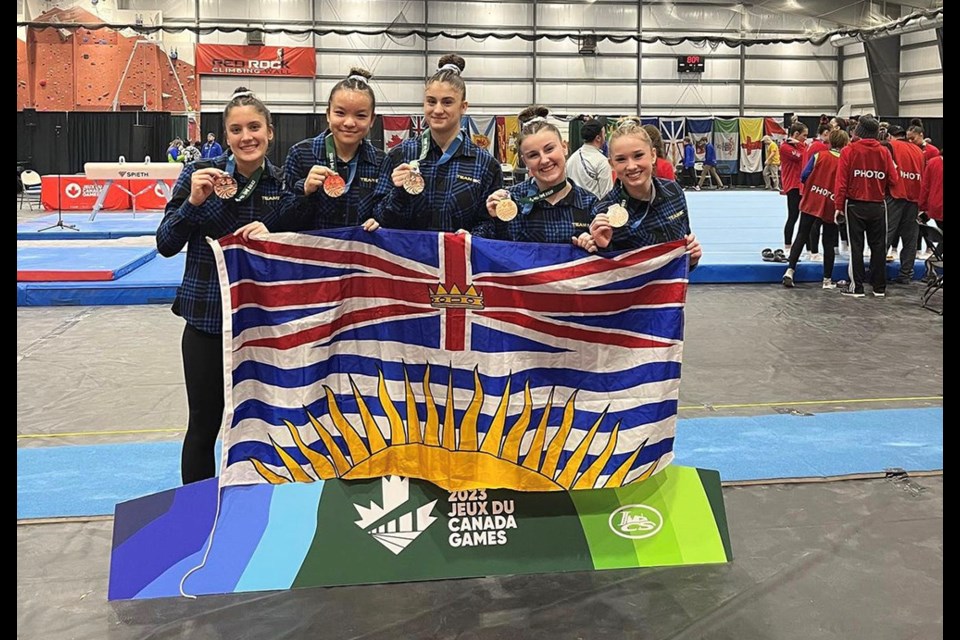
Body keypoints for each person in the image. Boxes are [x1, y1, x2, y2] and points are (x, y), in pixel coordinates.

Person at [156, 87, 292, 484]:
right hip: (206, 321)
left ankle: (261, 513)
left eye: (254, 127)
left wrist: (276, 229)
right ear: (225, 136)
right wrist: (193, 203)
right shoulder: (197, 174)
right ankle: (198, 518)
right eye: (236, 129)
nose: (246, 136)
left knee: (271, 424)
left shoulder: (284, 184)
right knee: (203, 424)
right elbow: (166, 244)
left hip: (264, 327)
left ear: (270, 132)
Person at [237, 68, 384, 236]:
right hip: (311, 260)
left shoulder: (381, 161)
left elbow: (388, 216)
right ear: (328, 114)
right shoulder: (300, 154)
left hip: (359, 259)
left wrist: (379, 222)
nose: (349, 122)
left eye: (360, 115)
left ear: (372, 120)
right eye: (340, 113)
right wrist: (304, 192)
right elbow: (284, 221)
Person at [374, 54, 502, 234]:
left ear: (463, 106)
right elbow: (379, 219)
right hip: (409, 260)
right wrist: (398, 193)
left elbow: (491, 223)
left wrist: (473, 237)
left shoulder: (486, 165)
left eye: (447, 102)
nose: (438, 110)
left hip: (457, 259)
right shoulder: (400, 155)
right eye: (431, 101)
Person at [588, 120, 702, 266]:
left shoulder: (674, 192)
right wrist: (602, 248)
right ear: (612, 165)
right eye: (621, 159)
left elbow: (684, 247)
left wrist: (691, 259)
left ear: (653, 155)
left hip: (669, 288)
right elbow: (605, 273)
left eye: (638, 155)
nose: (631, 166)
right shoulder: (603, 212)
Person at [483, 106, 596, 251]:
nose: (544, 160)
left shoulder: (590, 204)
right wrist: (492, 220)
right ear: (524, 160)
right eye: (533, 155)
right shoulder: (511, 201)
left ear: (564, 147)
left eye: (549, 149)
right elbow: (489, 251)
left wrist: (595, 245)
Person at [833, 116, 899, 298]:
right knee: (878, 247)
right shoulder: (884, 152)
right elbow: (894, 179)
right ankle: (879, 287)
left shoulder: (849, 150)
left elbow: (841, 182)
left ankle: (857, 287)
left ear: (859, 132)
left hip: (855, 204)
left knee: (856, 246)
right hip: (878, 205)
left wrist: (838, 206)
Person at [781, 128, 849, 290]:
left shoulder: (819, 155)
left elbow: (804, 175)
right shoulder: (845, 161)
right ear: (845, 144)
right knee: (829, 241)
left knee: (802, 235)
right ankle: (826, 280)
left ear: (830, 142)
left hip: (812, 200)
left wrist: (816, 185)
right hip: (831, 205)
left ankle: (790, 270)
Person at [884, 125, 925, 282]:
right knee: (910, 240)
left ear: (890, 136)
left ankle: (877, 273)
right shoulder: (918, 151)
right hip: (914, 198)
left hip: (895, 195)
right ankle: (906, 274)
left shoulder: (891, 146)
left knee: (886, 235)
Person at [565, 118, 613, 199]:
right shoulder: (602, 162)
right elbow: (607, 195)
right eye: (604, 134)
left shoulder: (571, 159)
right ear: (598, 138)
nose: (605, 137)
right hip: (594, 209)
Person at [780, 122, 808, 252]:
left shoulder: (800, 145)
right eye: (804, 136)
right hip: (793, 185)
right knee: (793, 216)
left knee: (806, 218)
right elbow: (803, 157)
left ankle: (808, 248)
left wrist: (801, 144)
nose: (805, 139)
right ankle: (787, 246)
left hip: (803, 185)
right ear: (796, 134)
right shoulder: (785, 147)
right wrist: (801, 145)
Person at [917, 149, 942, 262]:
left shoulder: (932, 162)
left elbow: (925, 186)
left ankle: (933, 260)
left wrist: (922, 206)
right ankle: (933, 260)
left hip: (934, 206)